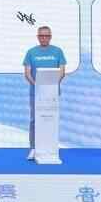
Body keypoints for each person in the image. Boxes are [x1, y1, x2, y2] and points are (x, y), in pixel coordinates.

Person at [22, 25, 66, 161]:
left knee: (51, 119)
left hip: (52, 93)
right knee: (35, 120)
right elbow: (27, 73)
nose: (44, 38)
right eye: (41, 36)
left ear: (50, 37)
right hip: (36, 93)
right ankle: (34, 148)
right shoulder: (31, 52)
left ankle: (51, 148)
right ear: (38, 37)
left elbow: (62, 71)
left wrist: (52, 86)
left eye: (47, 36)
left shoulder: (58, 51)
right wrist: (37, 86)